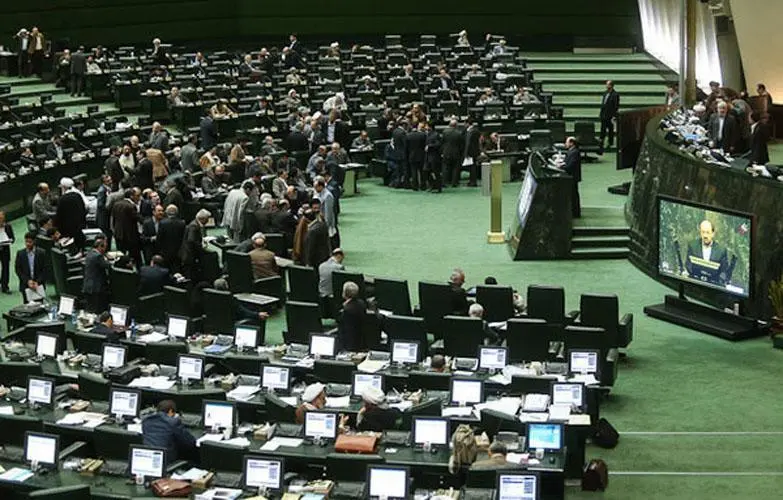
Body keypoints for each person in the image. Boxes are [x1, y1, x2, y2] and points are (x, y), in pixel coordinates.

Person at [685, 220, 729, 285]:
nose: (705, 235)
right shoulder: (692, 246)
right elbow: (688, 265)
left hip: (713, 285)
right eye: (703, 232)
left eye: (708, 232)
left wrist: (718, 283)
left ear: (713, 233)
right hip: (695, 283)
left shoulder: (721, 250)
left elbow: (724, 271)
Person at [111, 189, 142, 266]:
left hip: (118, 233)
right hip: (130, 235)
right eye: (137, 196)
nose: (139, 198)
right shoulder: (131, 206)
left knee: (121, 255)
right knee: (135, 256)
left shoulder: (116, 204)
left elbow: (113, 219)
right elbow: (138, 218)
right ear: (131, 196)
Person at [55, 177, 87, 250]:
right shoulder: (78, 195)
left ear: (64, 187)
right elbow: (83, 210)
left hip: (68, 230)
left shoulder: (62, 199)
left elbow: (59, 215)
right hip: (80, 227)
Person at [15, 232, 46, 303]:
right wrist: (27, 281)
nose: (28, 244)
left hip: (38, 286)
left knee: (39, 306)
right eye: (26, 241)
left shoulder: (42, 253)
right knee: (27, 306)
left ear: (34, 241)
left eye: (30, 242)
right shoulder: (20, 254)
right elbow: (18, 270)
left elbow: (45, 270)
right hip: (25, 285)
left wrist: (37, 282)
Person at [82, 238, 112, 313]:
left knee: (90, 308)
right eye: (104, 248)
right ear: (100, 247)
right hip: (96, 287)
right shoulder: (98, 256)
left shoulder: (90, 253)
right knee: (97, 309)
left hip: (88, 285)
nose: (105, 250)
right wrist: (109, 259)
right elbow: (107, 265)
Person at [179, 209, 210, 280]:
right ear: (203, 219)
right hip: (189, 256)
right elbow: (191, 240)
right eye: (207, 219)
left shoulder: (194, 223)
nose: (208, 221)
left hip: (188, 255)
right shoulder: (194, 226)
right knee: (189, 276)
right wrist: (201, 246)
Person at [337, 281, 365, 352]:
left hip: (349, 344)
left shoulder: (346, 311)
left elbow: (344, 329)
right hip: (360, 340)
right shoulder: (361, 303)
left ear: (344, 293)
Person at [157, 205, 186, 270]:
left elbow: (159, 239)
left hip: (165, 252)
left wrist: (159, 251)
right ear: (177, 212)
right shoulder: (182, 223)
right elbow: (184, 238)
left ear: (166, 212)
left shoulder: (163, 223)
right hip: (178, 252)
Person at [318, 248, 345, 314]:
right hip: (333, 297)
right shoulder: (340, 267)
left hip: (321, 296)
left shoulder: (321, 265)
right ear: (339, 256)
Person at [314, 176, 338, 248]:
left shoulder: (328, 196)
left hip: (327, 222)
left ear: (321, 186)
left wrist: (326, 225)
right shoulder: (318, 193)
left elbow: (328, 212)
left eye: (316, 187)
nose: (315, 189)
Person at [598, 80, 620, 154]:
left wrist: (614, 116)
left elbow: (616, 106)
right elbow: (603, 104)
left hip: (610, 115)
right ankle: (601, 142)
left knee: (610, 129)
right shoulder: (605, 93)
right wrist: (601, 114)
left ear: (611, 85)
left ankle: (610, 142)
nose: (606, 86)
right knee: (603, 129)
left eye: (607, 84)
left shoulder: (615, 95)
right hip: (604, 115)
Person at [564, 137, 582, 218]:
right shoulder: (572, 151)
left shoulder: (575, 152)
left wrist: (562, 166)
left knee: (574, 195)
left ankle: (575, 213)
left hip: (573, 176)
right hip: (572, 176)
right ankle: (574, 212)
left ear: (572, 143)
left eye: (567, 142)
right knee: (573, 195)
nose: (565, 144)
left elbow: (571, 166)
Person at [441, 119, 463, 188]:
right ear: (456, 125)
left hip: (446, 152)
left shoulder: (444, 132)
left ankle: (444, 182)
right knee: (455, 168)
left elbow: (442, 142)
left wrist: (442, 151)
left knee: (445, 168)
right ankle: (454, 183)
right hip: (456, 153)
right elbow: (461, 145)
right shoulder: (459, 133)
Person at [406, 122, 427, 191]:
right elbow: (425, 145)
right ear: (417, 126)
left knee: (413, 171)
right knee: (422, 171)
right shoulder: (423, 135)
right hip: (421, 155)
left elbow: (406, 147)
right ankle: (423, 186)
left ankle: (415, 186)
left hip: (412, 156)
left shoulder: (408, 135)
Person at [0, 211, 15, 294]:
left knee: (5, 268)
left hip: (5, 250)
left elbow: (13, 238)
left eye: (2, 219)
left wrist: (10, 240)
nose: (1, 221)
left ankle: (5, 286)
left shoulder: (8, 226)